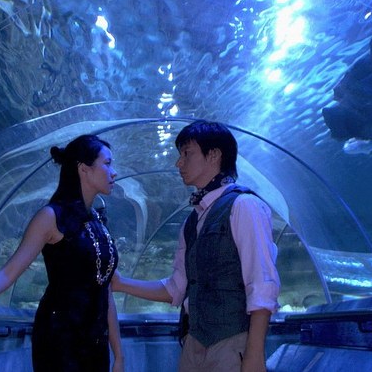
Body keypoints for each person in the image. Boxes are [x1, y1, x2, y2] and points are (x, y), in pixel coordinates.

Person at [0, 134, 123, 372]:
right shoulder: (51, 217)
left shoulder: (98, 222)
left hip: (95, 343)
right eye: (107, 163)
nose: (114, 173)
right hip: (60, 339)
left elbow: (104, 290)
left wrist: (118, 355)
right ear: (83, 169)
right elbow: (8, 273)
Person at [113, 120, 280, 372]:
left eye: (186, 153)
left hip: (232, 343)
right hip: (193, 344)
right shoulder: (192, 221)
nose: (178, 163)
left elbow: (262, 282)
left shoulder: (244, 205)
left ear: (214, 155)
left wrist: (254, 355)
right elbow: (176, 288)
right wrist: (119, 283)